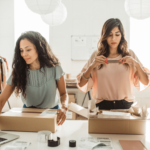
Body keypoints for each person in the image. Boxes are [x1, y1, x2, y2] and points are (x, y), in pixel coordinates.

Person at [77, 18, 150, 110]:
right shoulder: (96, 55)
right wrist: (92, 66)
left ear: (122, 36)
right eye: (110, 35)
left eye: (117, 34)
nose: (113, 38)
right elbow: (81, 84)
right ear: (105, 36)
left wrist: (137, 65)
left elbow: (145, 82)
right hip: (102, 107)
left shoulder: (130, 54)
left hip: (126, 106)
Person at [0, 31, 68, 125]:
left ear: (39, 48)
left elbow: (63, 93)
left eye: (28, 50)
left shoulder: (55, 67)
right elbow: (2, 100)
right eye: (21, 50)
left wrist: (64, 107)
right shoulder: (18, 70)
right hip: (28, 113)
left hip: (52, 112)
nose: (24, 54)